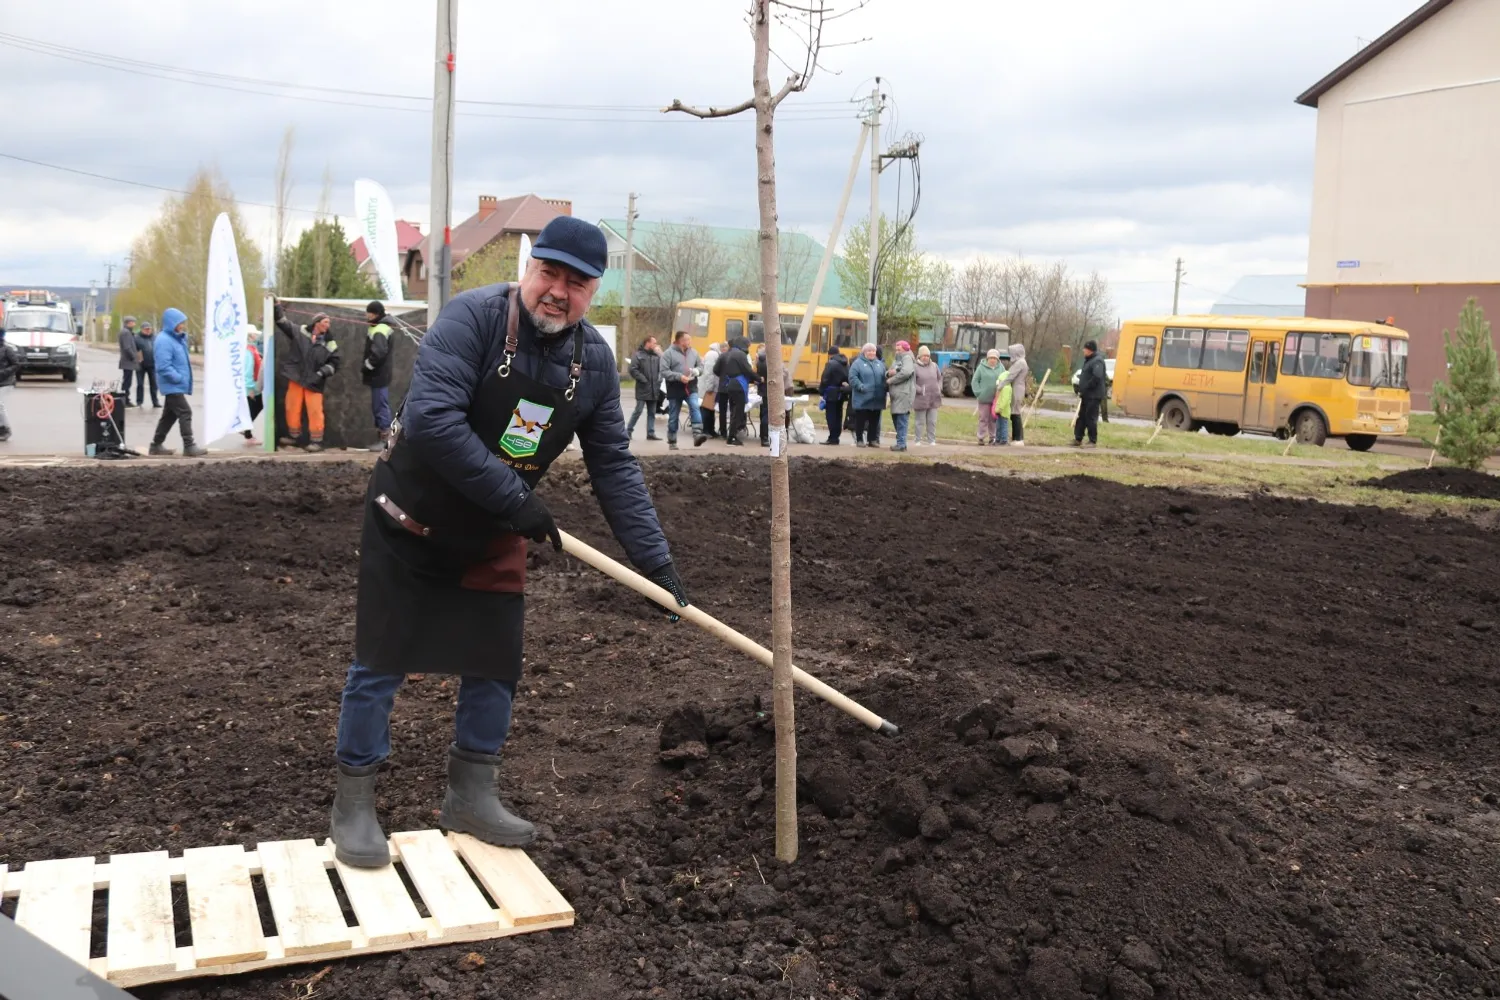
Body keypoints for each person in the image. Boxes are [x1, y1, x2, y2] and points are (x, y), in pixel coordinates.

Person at [329, 216, 690, 866]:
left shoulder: (594, 364)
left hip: (490, 532)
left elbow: (612, 464)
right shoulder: (472, 321)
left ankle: (470, 793)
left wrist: (656, 564)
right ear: (529, 269)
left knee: (494, 663)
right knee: (381, 660)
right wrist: (515, 499)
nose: (557, 290)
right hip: (409, 519)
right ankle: (353, 803)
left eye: (575, 283)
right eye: (548, 273)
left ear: (593, 293)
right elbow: (433, 422)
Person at [275, 308, 341, 452]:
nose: (328, 325)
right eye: (325, 322)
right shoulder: (300, 332)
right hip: (297, 378)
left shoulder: (330, 343)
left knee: (315, 411)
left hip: (314, 382)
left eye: (329, 322)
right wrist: (276, 307)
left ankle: (316, 442)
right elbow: (283, 323)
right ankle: (294, 438)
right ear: (316, 323)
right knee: (292, 407)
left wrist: (320, 373)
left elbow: (335, 363)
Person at [148, 308, 207, 457]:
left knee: (170, 415)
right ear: (171, 323)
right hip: (172, 384)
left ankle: (156, 445)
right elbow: (163, 366)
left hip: (174, 385)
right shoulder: (164, 340)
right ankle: (189, 446)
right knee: (185, 412)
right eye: (180, 323)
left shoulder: (175, 339)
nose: (183, 326)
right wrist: (178, 378)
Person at [661, 330, 706, 450]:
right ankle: (672, 440)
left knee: (695, 406)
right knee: (674, 415)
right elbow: (664, 371)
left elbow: (701, 366)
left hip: (691, 387)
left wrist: (697, 371)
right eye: (687, 339)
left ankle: (697, 434)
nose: (689, 342)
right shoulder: (668, 354)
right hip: (675, 388)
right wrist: (679, 377)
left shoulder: (694, 352)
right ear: (680, 341)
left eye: (689, 339)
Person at [363, 301, 395, 452]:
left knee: (380, 406)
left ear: (374, 314)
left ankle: (385, 440)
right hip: (380, 374)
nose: (366, 315)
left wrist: (367, 365)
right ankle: (382, 439)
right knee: (379, 406)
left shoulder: (380, 329)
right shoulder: (380, 327)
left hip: (379, 374)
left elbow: (379, 352)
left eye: (368, 312)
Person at [713, 336, 754, 445]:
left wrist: (723, 376)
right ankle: (733, 432)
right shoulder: (740, 355)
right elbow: (747, 370)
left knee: (722, 411)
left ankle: (723, 432)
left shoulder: (722, 356)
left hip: (723, 386)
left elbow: (715, 370)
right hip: (736, 385)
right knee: (734, 411)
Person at [847, 343, 887, 447]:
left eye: (873, 351)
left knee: (874, 420)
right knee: (861, 420)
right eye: (869, 351)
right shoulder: (857, 364)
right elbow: (852, 377)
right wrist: (861, 386)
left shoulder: (879, 364)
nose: (871, 353)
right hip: (862, 398)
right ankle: (859, 440)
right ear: (864, 352)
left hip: (877, 399)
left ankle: (872, 440)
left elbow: (884, 377)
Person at [625, 336, 662, 442]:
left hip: (654, 388)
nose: (656, 345)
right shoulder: (638, 355)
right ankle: (628, 431)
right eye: (654, 343)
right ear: (648, 343)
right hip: (643, 388)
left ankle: (651, 433)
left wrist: (659, 380)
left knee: (652, 412)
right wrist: (643, 379)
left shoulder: (657, 356)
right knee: (638, 410)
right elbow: (633, 369)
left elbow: (662, 368)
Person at [1073, 339, 1108, 449]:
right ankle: (1078, 438)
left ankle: (1092, 441)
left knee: (1091, 417)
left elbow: (1096, 377)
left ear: (1090, 350)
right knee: (1082, 417)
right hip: (1086, 395)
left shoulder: (1097, 361)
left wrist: (1086, 387)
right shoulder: (1088, 360)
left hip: (1094, 395)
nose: (1083, 350)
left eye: (1085, 348)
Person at [885, 340, 916, 451]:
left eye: (899, 349)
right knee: (897, 419)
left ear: (905, 349)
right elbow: (889, 371)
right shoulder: (897, 359)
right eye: (896, 349)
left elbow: (906, 372)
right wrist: (888, 374)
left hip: (903, 395)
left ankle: (901, 444)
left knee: (901, 420)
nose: (897, 351)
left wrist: (891, 380)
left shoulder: (907, 358)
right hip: (896, 396)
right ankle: (901, 443)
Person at [997, 342, 1029, 447]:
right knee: (1015, 413)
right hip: (1018, 389)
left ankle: (1018, 439)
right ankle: (1017, 438)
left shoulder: (1020, 363)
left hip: (1017, 390)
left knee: (1015, 414)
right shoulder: (1021, 362)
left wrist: (1000, 385)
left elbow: (1010, 376)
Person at [972, 348, 1004, 445]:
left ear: (997, 359)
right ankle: (981, 437)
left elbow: (1005, 379)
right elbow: (975, 381)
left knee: (993, 419)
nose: (992, 360)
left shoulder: (1001, 368)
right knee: (983, 418)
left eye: (994, 358)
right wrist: (978, 392)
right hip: (984, 398)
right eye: (991, 358)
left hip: (996, 399)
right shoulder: (981, 367)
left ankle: (992, 438)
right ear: (987, 358)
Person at [912, 345, 942, 446]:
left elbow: (939, 378)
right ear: (919, 356)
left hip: (933, 398)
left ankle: (931, 440)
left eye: (927, 356)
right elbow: (912, 383)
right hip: (921, 398)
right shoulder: (915, 367)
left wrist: (938, 388)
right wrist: (920, 390)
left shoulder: (934, 366)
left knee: (932, 421)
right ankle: (917, 439)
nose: (926, 358)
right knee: (919, 421)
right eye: (923, 356)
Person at [819, 347, 850, 445]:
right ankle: (836, 436)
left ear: (830, 354)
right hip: (841, 392)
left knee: (831, 416)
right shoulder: (846, 363)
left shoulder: (831, 364)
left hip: (831, 393)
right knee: (838, 415)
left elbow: (825, 378)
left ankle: (832, 437)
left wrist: (821, 392)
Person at [242, 325, 264, 447]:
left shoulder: (251, 349)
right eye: (254, 334)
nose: (256, 336)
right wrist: (250, 388)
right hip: (251, 386)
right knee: (253, 408)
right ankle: (247, 433)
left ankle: (246, 430)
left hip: (253, 385)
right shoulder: (248, 351)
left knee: (253, 408)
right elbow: (247, 371)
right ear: (250, 336)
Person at [117, 315, 143, 406]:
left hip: (128, 361)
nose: (134, 324)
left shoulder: (127, 332)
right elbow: (127, 347)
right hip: (128, 361)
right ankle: (125, 400)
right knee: (127, 382)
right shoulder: (126, 333)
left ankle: (125, 399)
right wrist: (133, 357)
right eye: (133, 322)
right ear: (129, 323)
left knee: (127, 381)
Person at [0, 327, 19, 443]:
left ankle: (6, 429)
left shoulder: (7, 350)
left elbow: (16, 364)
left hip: (6, 382)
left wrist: (3, 373)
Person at [699, 341, 721, 439]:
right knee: (706, 409)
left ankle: (710, 430)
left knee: (710, 409)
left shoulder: (712, 354)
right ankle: (705, 430)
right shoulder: (713, 355)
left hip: (711, 385)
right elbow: (709, 372)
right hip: (710, 387)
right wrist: (710, 387)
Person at [135, 322, 160, 408]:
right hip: (140, 365)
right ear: (142, 329)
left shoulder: (155, 337)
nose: (148, 331)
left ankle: (155, 401)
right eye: (146, 329)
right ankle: (139, 402)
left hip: (152, 364)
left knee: (154, 384)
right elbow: (133, 350)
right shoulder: (136, 338)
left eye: (149, 329)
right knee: (140, 384)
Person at [991, 360, 1013, 446]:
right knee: (998, 426)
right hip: (999, 411)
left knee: (1003, 426)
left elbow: (1005, 400)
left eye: (1000, 381)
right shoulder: (1002, 389)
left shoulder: (1007, 388)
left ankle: (1003, 440)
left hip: (1003, 411)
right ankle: (998, 439)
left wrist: (1000, 408)